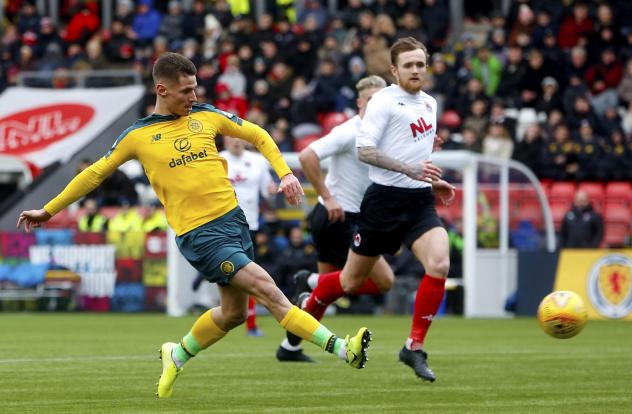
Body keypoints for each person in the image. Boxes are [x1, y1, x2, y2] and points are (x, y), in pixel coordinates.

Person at [17, 52, 372, 399]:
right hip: (201, 235)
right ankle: (343, 349)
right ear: (162, 90)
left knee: (232, 314)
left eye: (195, 88)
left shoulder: (207, 116)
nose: (194, 96)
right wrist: (48, 210)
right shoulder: (137, 136)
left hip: (234, 223)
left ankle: (178, 353)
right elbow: (94, 174)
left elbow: (259, 135)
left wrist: (285, 174)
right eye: (186, 91)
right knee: (267, 289)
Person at [290, 37, 455, 382]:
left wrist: (432, 181)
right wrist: (410, 170)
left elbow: (415, 154)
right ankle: (313, 287)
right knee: (351, 281)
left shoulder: (429, 104)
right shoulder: (382, 101)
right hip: (382, 203)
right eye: (408, 65)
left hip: (419, 202)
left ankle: (414, 347)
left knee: (439, 263)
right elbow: (365, 150)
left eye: (420, 64)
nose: (415, 70)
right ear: (394, 70)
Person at [275, 75, 393, 362]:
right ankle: (311, 280)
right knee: (384, 281)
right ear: (360, 103)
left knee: (326, 294)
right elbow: (306, 156)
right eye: (371, 100)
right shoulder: (351, 131)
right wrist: (327, 196)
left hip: (338, 219)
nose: (377, 105)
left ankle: (289, 347)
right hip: (339, 217)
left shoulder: (384, 133)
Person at [193, 135, 276, 336]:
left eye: (238, 137)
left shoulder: (258, 161)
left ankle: (248, 322)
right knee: (239, 274)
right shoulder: (215, 159)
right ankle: (239, 318)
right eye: (230, 137)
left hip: (249, 225)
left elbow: (267, 191)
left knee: (248, 275)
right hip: (221, 225)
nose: (235, 141)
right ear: (225, 140)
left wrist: (273, 191)